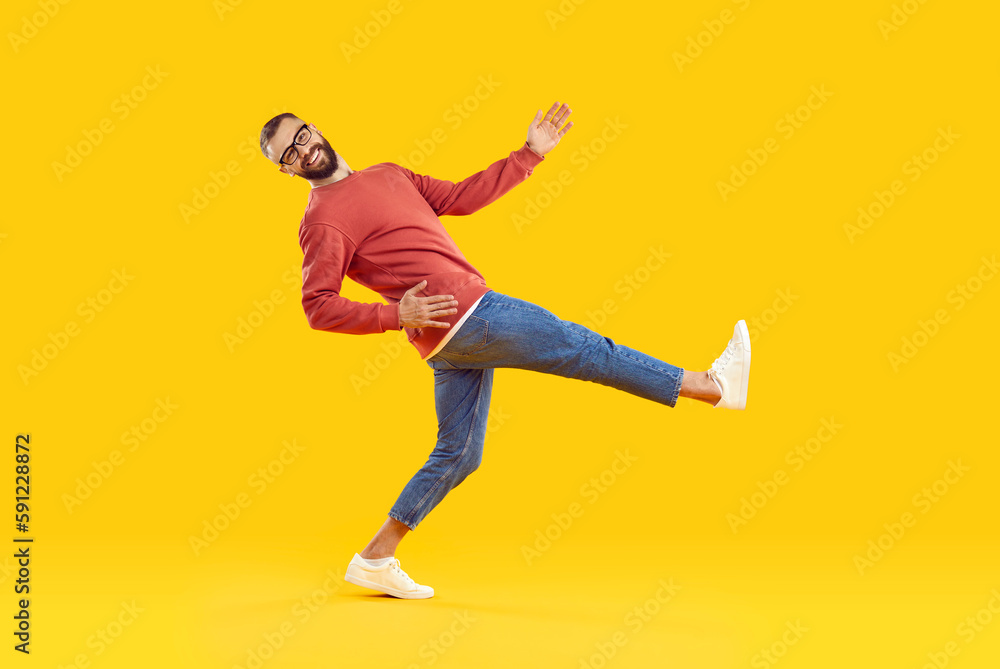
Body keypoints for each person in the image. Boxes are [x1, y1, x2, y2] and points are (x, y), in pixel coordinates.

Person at [259, 103, 751, 599]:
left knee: (459, 453)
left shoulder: (387, 174)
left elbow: (458, 198)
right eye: (290, 153)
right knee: (582, 348)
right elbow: (317, 306)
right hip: (469, 316)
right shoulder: (322, 220)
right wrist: (393, 316)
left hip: (448, 341)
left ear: (315, 126)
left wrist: (528, 155)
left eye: (302, 135)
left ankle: (375, 557)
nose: (304, 149)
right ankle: (709, 386)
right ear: (286, 170)